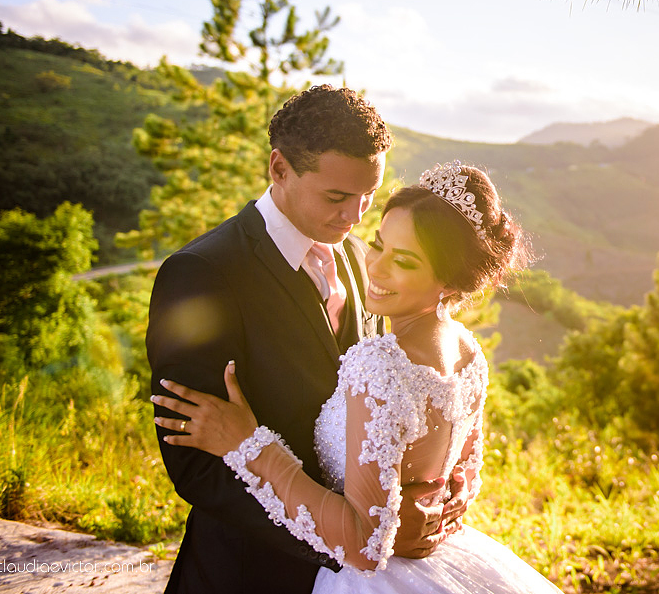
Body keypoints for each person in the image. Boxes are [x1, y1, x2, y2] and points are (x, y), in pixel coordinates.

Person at [151, 161, 562, 594]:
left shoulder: (381, 363)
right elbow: (459, 479)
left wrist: (248, 443)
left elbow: (368, 543)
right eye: (380, 245)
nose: (376, 268)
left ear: (448, 281)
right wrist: (426, 505)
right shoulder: (467, 352)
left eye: (402, 261)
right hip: (413, 564)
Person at [147, 86, 461, 594]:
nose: (355, 215)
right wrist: (342, 540)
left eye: (368, 196)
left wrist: (408, 506)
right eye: (337, 197)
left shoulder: (361, 258)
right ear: (279, 169)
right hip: (248, 572)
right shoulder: (202, 274)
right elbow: (193, 465)